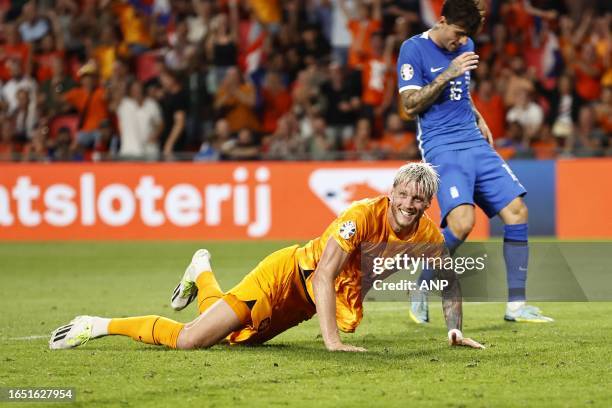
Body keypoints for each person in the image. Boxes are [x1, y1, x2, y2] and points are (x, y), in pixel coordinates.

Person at [49, 163, 484, 352]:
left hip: (301, 302)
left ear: (428, 203)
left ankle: (202, 272)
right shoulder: (358, 217)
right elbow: (324, 275)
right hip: (285, 280)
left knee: (235, 338)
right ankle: (98, 324)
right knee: (192, 340)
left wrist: (455, 329)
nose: (409, 203)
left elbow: (448, 279)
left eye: (418, 198)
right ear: (392, 193)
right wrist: (332, 341)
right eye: (403, 194)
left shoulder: (426, 232)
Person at [397, 0, 552, 323]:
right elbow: (410, 106)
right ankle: (422, 286)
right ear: (441, 20)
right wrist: (447, 74)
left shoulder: (466, 42)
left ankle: (516, 306)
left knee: (517, 211)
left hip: (472, 140)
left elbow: (460, 90)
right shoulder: (413, 50)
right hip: (441, 145)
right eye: (456, 34)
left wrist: (478, 115)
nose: (460, 42)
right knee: (463, 224)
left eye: (465, 36)